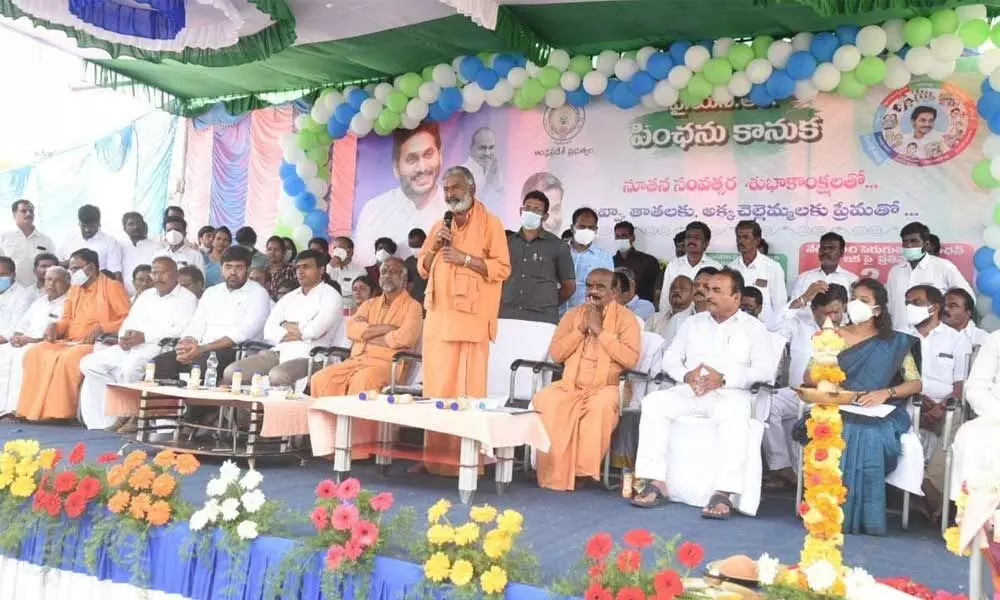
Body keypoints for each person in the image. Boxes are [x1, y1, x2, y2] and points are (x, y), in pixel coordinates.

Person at [631, 268, 772, 518]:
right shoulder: (692, 323)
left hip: (729, 394)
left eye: (717, 291)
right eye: (708, 290)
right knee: (654, 402)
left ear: (736, 298)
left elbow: (764, 370)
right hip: (690, 390)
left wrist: (725, 378)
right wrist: (685, 375)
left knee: (736, 413)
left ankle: (724, 492)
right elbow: (670, 358)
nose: (708, 295)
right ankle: (655, 480)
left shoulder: (754, 328)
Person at [795, 278, 923, 535]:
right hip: (837, 407)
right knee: (838, 429)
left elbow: (915, 384)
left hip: (880, 409)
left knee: (870, 434)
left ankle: (864, 516)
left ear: (878, 309)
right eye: (853, 298)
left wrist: (885, 393)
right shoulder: (833, 335)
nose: (855, 304)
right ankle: (825, 510)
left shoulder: (895, 342)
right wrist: (826, 370)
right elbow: (809, 377)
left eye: (864, 300)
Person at [418, 165, 510, 476]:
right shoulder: (439, 226)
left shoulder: (491, 224)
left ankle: (466, 462)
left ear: (471, 189)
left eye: (455, 187)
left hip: (470, 322)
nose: (450, 194)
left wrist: (465, 259)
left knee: (465, 394)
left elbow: (502, 268)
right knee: (437, 389)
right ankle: (434, 459)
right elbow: (423, 268)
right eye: (446, 189)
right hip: (438, 320)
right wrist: (434, 247)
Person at [532, 268, 640, 491]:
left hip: (608, 386)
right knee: (545, 399)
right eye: (589, 285)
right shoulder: (572, 316)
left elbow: (630, 359)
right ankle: (555, 470)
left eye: (600, 287)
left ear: (613, 292)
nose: (593, 291)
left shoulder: (627, 319)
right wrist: (581, 329)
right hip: (570, 384)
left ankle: (582, 471)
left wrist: (599, 331)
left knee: (599, 406)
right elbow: (557, 354)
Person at [79, 257, 198, 431]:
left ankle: (132, 415)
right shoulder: (146, 295)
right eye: (154, 272)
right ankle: (116, 413)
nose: (157, 277)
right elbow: (130, 321)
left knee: (130, 368)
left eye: (163, 272)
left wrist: (145, 337)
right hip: (132, 345)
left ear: (175, 274)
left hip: (159, 347)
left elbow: (180, 330)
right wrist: (124, 338)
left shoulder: (187, 298)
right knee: (89, 364)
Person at [15, 249, 131, 421]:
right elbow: (67, 319)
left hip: (97, 343)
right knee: (35, 352)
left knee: (68, 358)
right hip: (70, 340)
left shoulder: (112, 287)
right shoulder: (75, 289)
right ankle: (32, 411)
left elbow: (127, 319)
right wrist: (54, 326)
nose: (72, 273)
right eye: (71, 269)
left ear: (90, 268)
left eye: (76, 268)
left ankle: (60, 413)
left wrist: (102, 328)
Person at [152, 246, 270, 400]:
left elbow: (243, 333)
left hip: (235, 351)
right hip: (201, 348)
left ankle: (191, 418)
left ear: (248, 269)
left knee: (200, 366)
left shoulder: (258, 293)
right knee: (158, 364)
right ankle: (161, 417)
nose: (233, 272)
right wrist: (187, 344)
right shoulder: (211, 292)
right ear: (221, 268)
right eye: (228, 267)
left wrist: (201, 349)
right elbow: (197, 325)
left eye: (239, 267)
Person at [764, 283, 848, 491]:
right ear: (813, 310)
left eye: (836, 312)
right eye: (824, 313)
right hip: (798, 394)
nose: (831, 318)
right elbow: (770, 330)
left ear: (845, 308)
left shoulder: (853, 331)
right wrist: (802, 299)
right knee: (765, 403)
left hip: (836, 399)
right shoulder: (799, 324)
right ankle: (781, 466)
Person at [223, 250, 341, 388]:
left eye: (306, 267)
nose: (300, 271)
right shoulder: (289, 297)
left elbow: (314, 332)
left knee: (278, 375)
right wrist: (303, 329)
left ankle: (279, 410)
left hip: (311, 356)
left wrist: (284, 324)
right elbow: (269, 332)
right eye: (298, 267)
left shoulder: (331, 296)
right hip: (279, 352)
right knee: (232, 372)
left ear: (321, 270)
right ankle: (253, 410)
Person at [311, 257, 422, 395]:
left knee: (362, 380)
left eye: (393, 271)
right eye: (384, 271)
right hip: (357, 360)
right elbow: (351, 330)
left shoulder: (414, 307)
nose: (387, 275)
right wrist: (387, 328)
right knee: (320, 379)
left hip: (387, 364)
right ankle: (328, 417)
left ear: (404, 280)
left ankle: (354, 417)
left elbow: (405, 338)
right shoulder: (369, 304)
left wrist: (365, 337)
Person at [355, 123, 447, 264]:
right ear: (396, 167)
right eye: (411, 159)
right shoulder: (374, 210)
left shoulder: (454, 209)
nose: (422, 168)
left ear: (440, 156)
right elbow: (363, 267)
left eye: (428, 155)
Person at [904, 285, 971, 466]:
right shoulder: (902, 337)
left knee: (955, 421)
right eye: (907, 303)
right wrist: (920, 400)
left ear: (934, 308)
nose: (910, 307)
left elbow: (960, 383)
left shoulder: (957, 339)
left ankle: (935, 482)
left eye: (916, 302)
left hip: (947, 406)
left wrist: (939, 408)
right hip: (910, 400)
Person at [0, 266, 69, 417]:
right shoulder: (39, 302)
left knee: (21, 356)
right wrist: (17, 337)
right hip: (24, 342)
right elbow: (21, 326)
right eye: (49, 280)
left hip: (46, 344)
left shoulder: (68, 302)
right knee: (3, 352)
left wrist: (29, 340)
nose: (51, 284)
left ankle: (15, 408)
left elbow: (59, 332)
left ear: (67, 283)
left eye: (57, 280)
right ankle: (2, 406)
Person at [500, 191, 575, 324]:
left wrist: (547, 303)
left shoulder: (558, 246)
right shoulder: (505, 243)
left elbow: (569, 287)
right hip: (506, 316)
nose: (530, 212)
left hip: (542, 319)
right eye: (527, 208)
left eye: (536, 210)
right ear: (520, 211)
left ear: (545, 216)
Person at [887, 222, 972, 332]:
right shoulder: (895, 272)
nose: (909, 245)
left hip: (934, 337)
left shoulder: (944, 267)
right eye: (905, 241)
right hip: (901, 336)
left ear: (926, 244)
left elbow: (967, 299)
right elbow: (889, 306)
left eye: (914, 241)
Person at [728, 220, 787, 325]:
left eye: (746, 237)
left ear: (757, 241)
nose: (740, 241)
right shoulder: (730, 269)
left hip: (765, 327)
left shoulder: (772, 267)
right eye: (738, 237)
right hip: (735, 326)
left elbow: (780, 305)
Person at [657, 221, 722, 313]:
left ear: (706, 244)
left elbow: (717, 298)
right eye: (688, 237)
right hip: (677, 318)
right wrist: (666, 318)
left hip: (705, 318)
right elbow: (665, 298)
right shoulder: (673, 265)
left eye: (696, 238)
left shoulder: (716, 266)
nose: (691, 241)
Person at [789, 232, 858, 312]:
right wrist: (806, 296)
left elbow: (854, 312)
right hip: (806, 324)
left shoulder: (852, 279)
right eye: (823, 248)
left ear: (841, 252)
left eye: (831, 248)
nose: (826, 251)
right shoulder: (803, 277)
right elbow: (790, 310)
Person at [564, 208, 614, 310]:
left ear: (596, 230)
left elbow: (607, 291)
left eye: (590, 228)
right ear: (572, 228)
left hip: (587, 318)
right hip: (557, 315)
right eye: (582, 227)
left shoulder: (604, 258)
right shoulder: (558, 251)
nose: (586, 231)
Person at [58, 205, 124, 280]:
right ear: (79, 223)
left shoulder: (110, 242)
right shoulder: (69, 241)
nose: (87, 230)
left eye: (91, 226)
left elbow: (115, 273)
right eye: (83, 226)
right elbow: (58, 266)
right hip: (71, 289)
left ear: (99, 224)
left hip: (99, 288)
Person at [1, 200, 55, 287]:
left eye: (31, 211)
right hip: (11, 291)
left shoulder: (45, 239)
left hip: (40, 291)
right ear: (14, 214)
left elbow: (53, 267)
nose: (28, 214)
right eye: (23, 211)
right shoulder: (5, 237)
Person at [613, 221, 660, 305]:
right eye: (617, 236)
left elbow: (656, 289)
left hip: (642, 309)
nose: (620, 239)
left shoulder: (649, 261)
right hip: (615, 307)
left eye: (624, 236)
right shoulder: (609, 261)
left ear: (632, 237)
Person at [120, 212, 163, 296]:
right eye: (130, 224)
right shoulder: (119, 246)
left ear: (144, 225)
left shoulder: (157, 247)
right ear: (124, 228)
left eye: (138, 223)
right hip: (123, 296)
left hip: (150, 296)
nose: (135, 227)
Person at [645, 275, 694, 343]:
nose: (676, 291)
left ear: (693, 295)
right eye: (673, 288)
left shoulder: (695, 321)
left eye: (683, 289)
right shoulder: (655, 319)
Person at [462, 127, 502, 203]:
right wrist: (489, 184)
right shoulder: (461, 174)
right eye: (482, 148)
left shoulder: (494, 171)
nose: (487, 153)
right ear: (471, 149)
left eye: (491, 147)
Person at [328, 237, 368, 312]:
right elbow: (320, 285)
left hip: (350, 312)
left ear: (350, 252)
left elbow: (357, 298)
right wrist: (330, 266)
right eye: (334, 248)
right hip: (330, 311)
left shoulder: (359, 271)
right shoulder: (330, 268)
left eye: (339, 248)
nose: (336, 251)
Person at [0, 257, 34, 344]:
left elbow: (17, 326)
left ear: (13, 274)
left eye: (2, 275)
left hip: (7, 343)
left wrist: (4, 337)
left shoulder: (23, 295)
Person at [262, 235, 296, 300]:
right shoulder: (263, 271)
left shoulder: (291, 269)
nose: (272, 252)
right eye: (269, 249)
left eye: (276, 249)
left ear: (284, 252)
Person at [404, 228, 428, 304]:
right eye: (411, 246)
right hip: (415, 301)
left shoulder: (434, 259)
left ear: (426, 242)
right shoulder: (408, 262)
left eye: (417, 246)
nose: (414, 249)